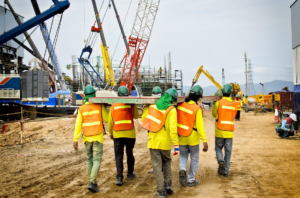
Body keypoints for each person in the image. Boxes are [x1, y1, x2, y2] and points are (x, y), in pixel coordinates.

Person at [142, 88, 179, 198]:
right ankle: (168, 185)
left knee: (157, 166)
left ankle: (160, 191)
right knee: (167, 161)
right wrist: (176, 145)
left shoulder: (152, 107)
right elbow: (173, 129)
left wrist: (145, 108)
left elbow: (145, 120)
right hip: (165, 143)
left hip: (153, 142)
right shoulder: (172, 110)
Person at [73, 85, 109, 193]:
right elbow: (106, 119)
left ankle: (92, 181)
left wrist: (75, 139)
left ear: (85, 96)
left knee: (89, 160)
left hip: (87, 138)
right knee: (96, 160)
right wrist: (105, 107)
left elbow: (78, 124)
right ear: (94, 95)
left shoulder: (81, 108)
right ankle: (92, 182)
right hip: (97, 137)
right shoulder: (99, 106)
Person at [177, 85, 208, 187]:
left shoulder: (180, 105)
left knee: (183, 156)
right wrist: (204, 140)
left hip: (181, 137)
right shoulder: (197, 109)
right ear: (198, 97)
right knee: (194, 158)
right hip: (193, 138)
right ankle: (190, 179)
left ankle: (182, 169)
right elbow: (200, 126)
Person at [108, 86, 139, 186]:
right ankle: (130, 174)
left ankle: (120, 178)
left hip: (117, 133)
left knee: (118, 156)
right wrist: (133, 105)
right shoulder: (131, 103)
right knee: (129, 153)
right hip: (130, 133)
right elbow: (136, 116)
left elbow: (110, 121)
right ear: (128, 94)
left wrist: (111, 133)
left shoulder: (113, 105)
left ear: (118, 95)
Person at [212, 84, 237, 177]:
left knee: (218, 148)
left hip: (219, 130)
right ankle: (226, 171)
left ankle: (220, 161)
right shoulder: (234, 103)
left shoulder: (218, 103)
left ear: (222, 92)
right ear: (230, 93)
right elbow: (234, 115)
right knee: (228, 151)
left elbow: (214, 114)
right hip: (229, 132)